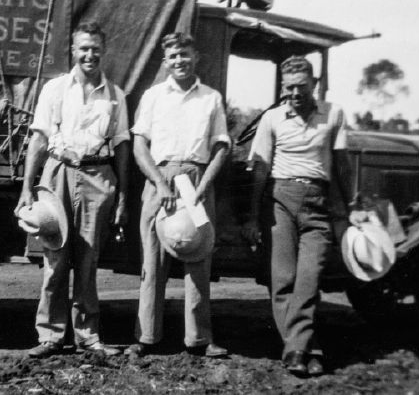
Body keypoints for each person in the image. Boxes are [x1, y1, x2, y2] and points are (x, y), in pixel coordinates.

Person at [17, 22, 131, 358]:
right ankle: (50, 335)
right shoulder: (55, 89)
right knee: (56, 258)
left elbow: (123, 146)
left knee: (88, 260)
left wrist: (122, 194)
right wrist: (27, 187)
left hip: (99, 176)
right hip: (59, 174)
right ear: (73, 51)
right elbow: (38, 139)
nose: (89, 55)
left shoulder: (116, 95)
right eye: (83, 48)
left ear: (103, 51)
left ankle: (88, 336)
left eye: (95, 48)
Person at [126, 32, 230, 358]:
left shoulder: (211, 98)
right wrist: (159, 182)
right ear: (166, 61)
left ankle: (199, 339)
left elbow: (222, 147)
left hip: (197, 180)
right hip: (161, 178)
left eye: (185, 54)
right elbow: (139, 145)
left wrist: (202, 187)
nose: (180, 61)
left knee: (198, 257)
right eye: (173, 56)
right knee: (152, 262)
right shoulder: (154, 96)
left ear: (195, 56)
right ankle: (146, 337)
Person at [243, 55, 348, 377]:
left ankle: (297, 348)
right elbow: (260, 168)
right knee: (283, 279)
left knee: (309, 279)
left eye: (301, 86)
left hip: (318, 202)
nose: (295, 93)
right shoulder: (273, 118)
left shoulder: (334, 114)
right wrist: (250, 215)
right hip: (280, 201)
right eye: (288, 87)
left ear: (314, 84)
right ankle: (304, 350)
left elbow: (341, 164)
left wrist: (348, 209)